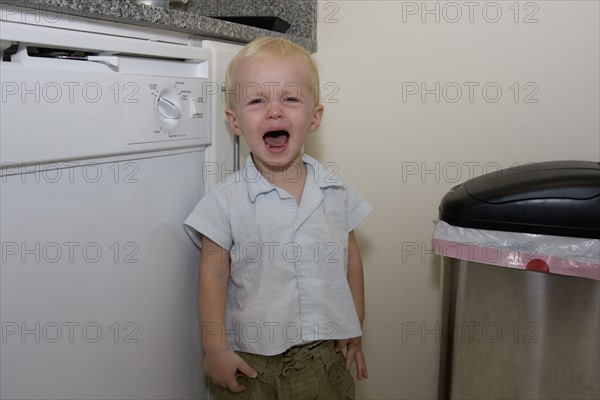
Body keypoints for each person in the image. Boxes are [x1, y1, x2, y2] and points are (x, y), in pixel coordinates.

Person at [184, 36, 372, 399]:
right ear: (234, 121)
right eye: (257, 100)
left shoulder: (336, 192)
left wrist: (355, 324)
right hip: (252, 366)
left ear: (314, 117)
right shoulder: (225, 202)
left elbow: (350, 258)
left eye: (289, 98)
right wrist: (215, 349)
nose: (274, 111)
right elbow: (212, 274)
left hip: (325, 358)